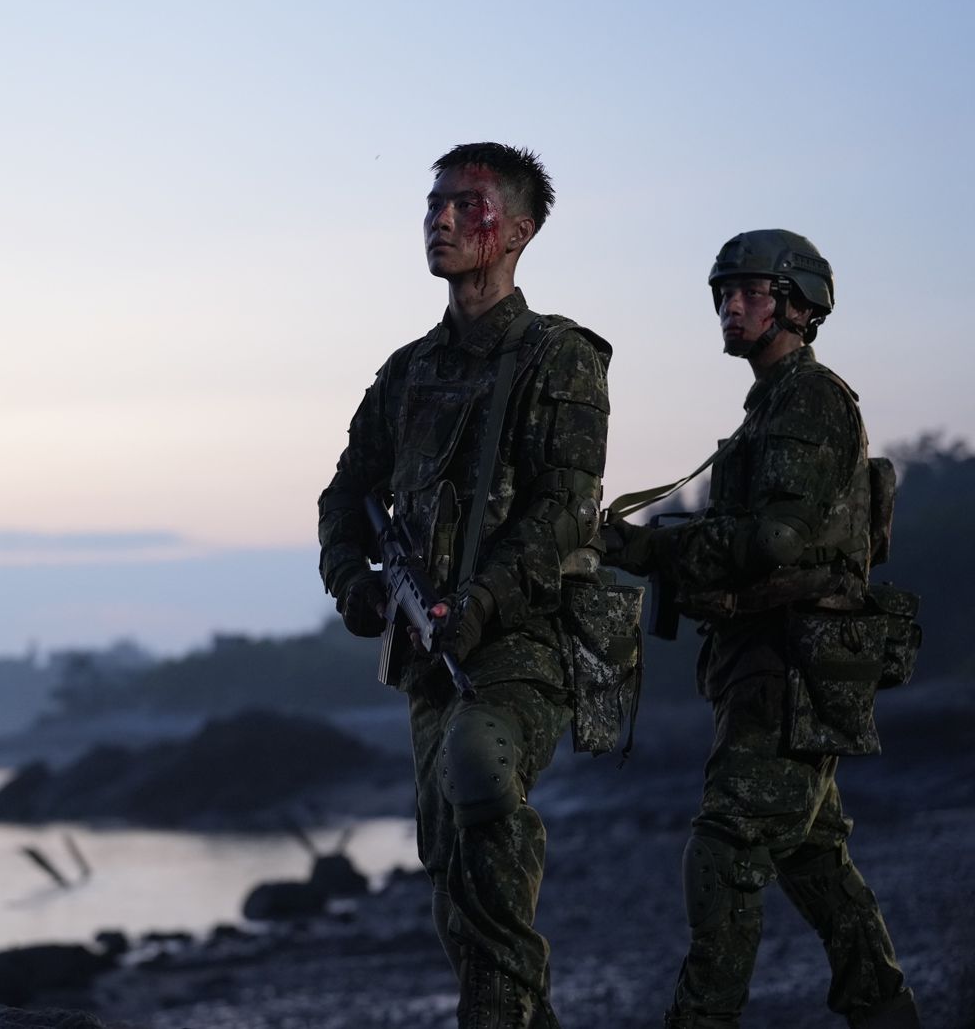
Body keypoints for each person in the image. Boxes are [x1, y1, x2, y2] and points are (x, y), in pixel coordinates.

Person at [317, 142, 611, 1029]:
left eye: (466, 205)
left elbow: (565, 510)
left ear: (517, 232)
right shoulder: (409, 370)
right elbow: (344, 492)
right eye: (434, 203)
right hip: (426, 652)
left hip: (520, 641)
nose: (440, 219)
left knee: (481, 786)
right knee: (454, 876)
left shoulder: (559, 357)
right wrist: (353, 585)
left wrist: (477, 604)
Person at [603, 229, 918, 1028]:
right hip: (770, 668)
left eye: (748, 292)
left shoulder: (808, 400)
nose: (729, 307)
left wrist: (649, 549)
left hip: (793, 668)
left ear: (798, 306)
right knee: (817, 863)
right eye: (722, 293)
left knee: (725, 850)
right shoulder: (769, 406)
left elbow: (775, 541)